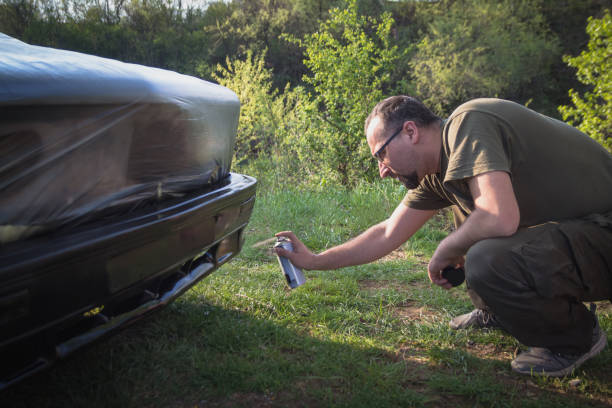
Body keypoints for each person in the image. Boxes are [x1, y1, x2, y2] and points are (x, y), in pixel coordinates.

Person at [275, 96, 612, 377]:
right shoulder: (437, 173)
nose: (382, 169)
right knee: (472, 224)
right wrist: (315, 261)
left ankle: (575, 339)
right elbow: (387, 232)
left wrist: (446, 247)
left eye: (381, 154)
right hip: (585, 234)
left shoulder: (468, 124)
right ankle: (498, 309)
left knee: (482, 253)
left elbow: (498, 215)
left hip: (604, 231)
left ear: (410, 132)